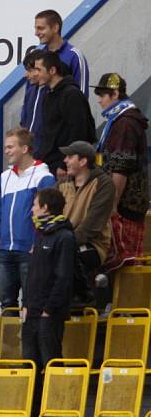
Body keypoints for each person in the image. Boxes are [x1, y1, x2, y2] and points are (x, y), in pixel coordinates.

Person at [0, 128, 55, 309]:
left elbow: (48, 214)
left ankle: (27, 338)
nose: (6, 151)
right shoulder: (5, 177)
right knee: (7, 304)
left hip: (29, 250)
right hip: (5, 251)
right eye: (6, 147)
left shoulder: (43, 176)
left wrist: (39, 242)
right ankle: (10, 338)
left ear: (25, 149)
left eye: (10, 147)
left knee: (31, 302)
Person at [93, 73, 149, 272]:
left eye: (102, 94)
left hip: (125, 205)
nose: (99, 99)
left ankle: (127, 303)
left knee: (126, 263)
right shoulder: (121, 120)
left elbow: (120, 167)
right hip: (130, 203)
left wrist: (113, 203)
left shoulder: (124, 123)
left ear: (115, 94)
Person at [22, 188, 75, 394]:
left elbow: (63, 278)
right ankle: (32, 413)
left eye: (35, 205)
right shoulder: (40, 234)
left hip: (48, 313)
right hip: (32, 310)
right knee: (29, 366)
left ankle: (55, 409)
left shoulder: (64, 237)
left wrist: (48, 310)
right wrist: (25, 304)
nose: (32, 210)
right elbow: (32, 275)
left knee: (51, 363)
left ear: (45, 207)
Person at [58, 141, 116, 301]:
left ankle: (82, 301)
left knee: (66, 260)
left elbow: (92, 225)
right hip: (63, 241)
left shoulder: (104, 183)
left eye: (70, 157)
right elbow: (50, 212)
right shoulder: (63, 183)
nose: (65, 160)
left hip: (93, 245)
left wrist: (64, 242)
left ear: (83, 161)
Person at [34, 50, 95, 179]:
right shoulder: (48, 95)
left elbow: (79, 131)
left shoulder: (72, 95)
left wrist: (64, 164)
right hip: (48, 166)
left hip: (64, 169)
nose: (35, 74)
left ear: (52, 70)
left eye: (39, 70)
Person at [34, 9, 89, 92]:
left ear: (55, 28)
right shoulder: (37, 57)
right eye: (36, 28)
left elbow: (81, 95)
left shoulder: (75, 56)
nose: (36, 33)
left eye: (40, 28)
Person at [19, 49, 46, 153]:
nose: (25, 75)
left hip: (46, 157)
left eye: (30, 70)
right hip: (29, 155)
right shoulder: (30, 93)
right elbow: (24, 122)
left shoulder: (53, 93)